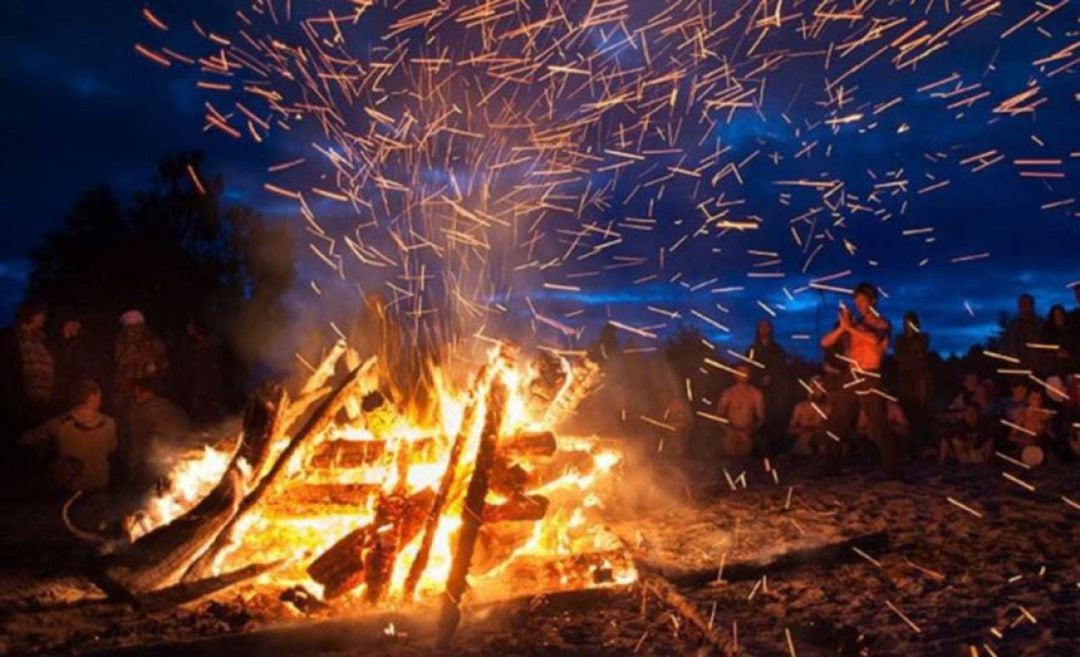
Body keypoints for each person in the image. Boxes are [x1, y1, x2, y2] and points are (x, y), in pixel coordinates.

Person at [819, 282, 903, 480]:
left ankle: (894, 472)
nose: (858, 304)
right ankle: (832, 468)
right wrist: (842, 328)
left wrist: (850, 327)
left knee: (878, 425)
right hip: (851, 376)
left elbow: (874, 340)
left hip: (870, 375)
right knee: (836, 423)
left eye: (862, 300)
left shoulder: (882, 323)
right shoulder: (853, 325)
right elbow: (825, 342)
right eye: (856, 300)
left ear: (873, 301)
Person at [21, 380, 117, 492]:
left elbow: (26, 439)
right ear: (92, 397)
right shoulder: (109, 423)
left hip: (69, 490)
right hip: (99, 486)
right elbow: (111, 448)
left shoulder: (59, 423)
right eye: (99, 396)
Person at [1, 300, 56, 440]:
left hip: (42, 405)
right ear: (31, 315)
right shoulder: (9, 337)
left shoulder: (43, 340)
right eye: (42, 314)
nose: (45, 318)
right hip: (19, 405)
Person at [746, 319, 790, 456]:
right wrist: (758, 379)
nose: (764, 329)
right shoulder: (752, 349)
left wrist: (772, 377)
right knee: (757, 416)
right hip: (756, 387)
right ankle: (755, 448)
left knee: (774, 416)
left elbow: (782, 368)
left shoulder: (777, 349)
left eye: (766, 327)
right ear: (758, 329)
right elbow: (748, 367)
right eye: (761, 327)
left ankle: (774, 449)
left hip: (775, 390)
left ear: (770, 329)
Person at [113, 309, 168, 410]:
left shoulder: (153, 340)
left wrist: (155, 367)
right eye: (130, 327)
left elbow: (162, 361)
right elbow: (118, 361)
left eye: (137, 326)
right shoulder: (120, 340)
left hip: (148, 385)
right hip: (126, 386)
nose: (134, 330)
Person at [175, 318, 226, 425]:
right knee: (198, 410)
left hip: (208, 383)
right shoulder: (187, 344)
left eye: (191, 326)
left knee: (211, 408)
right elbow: (184, 365)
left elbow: (216, 366)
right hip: (194, 383)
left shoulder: (211, 344)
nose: (188, 329)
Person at [894, 311, 931, 451]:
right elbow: (899, 356)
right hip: (905, 378)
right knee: (906, 409)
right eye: (905, 323)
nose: (907, 326)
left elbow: (921, 352)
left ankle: (922, 444)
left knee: (921, 409)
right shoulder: (899, 339)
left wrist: (913, 337)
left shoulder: (923, 337)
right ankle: (908, 446)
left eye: (910, 323)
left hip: (920, 378)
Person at [714, 364, 764, 459]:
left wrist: (751, 431)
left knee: (745, 461)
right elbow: (718, 416)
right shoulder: (728, 393)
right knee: (730, 461)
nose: (743, 375)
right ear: (735, 374)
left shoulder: (756, 394)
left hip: (747, 435)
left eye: (746, 372)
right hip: (730, 436)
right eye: (740, 372)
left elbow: (761, 418)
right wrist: (729, 430)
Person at [788, 377, 830, 455]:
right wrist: (804, 429)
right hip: (802, 449)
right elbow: (790, 430)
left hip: (822, 449)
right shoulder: (800, 407)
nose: (818, 392)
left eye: (821, 389)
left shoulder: (829, 409)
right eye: (816, 389)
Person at [1004, 294, 1042, 370]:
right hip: (1016, 366)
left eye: (1025, 303)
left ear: (1032, 305)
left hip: (1036, 366)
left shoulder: (1041, 324)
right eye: (1021, 304)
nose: (1023, 306)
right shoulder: (1012, 326)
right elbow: (1006, 344)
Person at [1040, 305, 1074, 376]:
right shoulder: (1047, 332)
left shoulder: (1071, 331)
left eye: (1060, 314)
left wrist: (1070, 355)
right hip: (1052, 370)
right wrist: (1055, 354)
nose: (1059, 317)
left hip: (1070, 369)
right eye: (1056, 315)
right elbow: (1043, 350)